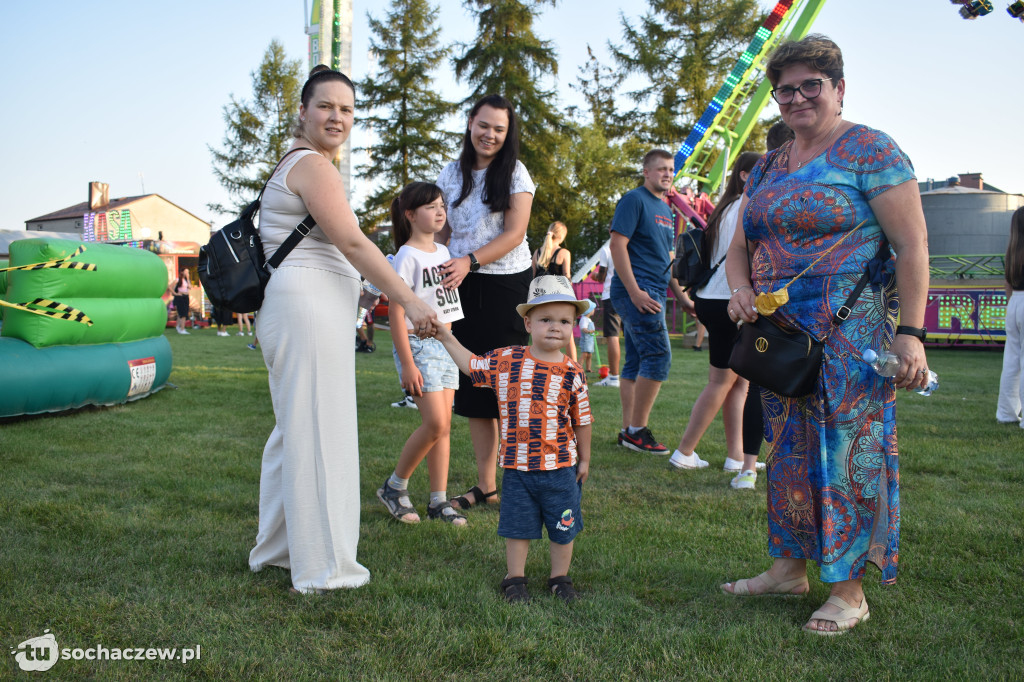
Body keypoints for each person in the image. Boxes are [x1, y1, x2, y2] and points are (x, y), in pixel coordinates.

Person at [720, 35, 931, 635]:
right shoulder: (768, 163)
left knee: (845, 453)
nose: (796, 97)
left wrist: (910, 334)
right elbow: (741, 247)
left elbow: (912, 246)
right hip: (779, 334)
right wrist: (738, 291)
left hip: (852, 336)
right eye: (784, 88)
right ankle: (787, 568)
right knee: (786, 451)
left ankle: (849, 591)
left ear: (838, 88)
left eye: (811, 84)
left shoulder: (871, 150)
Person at [248, 66, 438, 594]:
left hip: (304, 305)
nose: (337, 117)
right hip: (306, 305)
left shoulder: (306, 165)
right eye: (326, 106)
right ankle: (323, 569)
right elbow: (354, 244)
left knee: (295, 431)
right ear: (302, 112)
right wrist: (410, 300)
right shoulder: (312, 165)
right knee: (318, 433)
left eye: (347, 109)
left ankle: (281, 551)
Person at [435, 275, 592, 603]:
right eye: (545, 319)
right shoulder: (507, 360)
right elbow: (472, 366)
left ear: (573, 326)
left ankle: (559, 577)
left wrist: (586, 458)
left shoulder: (573, 372)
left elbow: (583, 421)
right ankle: (515, 578)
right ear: (527, 322)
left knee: (563, 527)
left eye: (564, 321)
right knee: (517, 527)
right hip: (518, 470)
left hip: (560, 468)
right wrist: (446, 336)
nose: (554, 327)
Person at [436, 94, 535, 510]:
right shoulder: (450, 173)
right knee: (476, 385)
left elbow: (515, 233)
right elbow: (439, 231)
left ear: (507, 132)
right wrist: (428, 264)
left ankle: (520, 484)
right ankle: (486, 485)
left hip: (507, 285)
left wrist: (469, 261)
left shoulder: (515, 174)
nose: (490, 135)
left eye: (499, 128)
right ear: (470, 123)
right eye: (484, 125)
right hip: (461, 284)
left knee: (508, 386)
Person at [376, 182, 467, 526]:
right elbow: (397, 313)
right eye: (431, 206)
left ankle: (438, 502)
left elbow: (445, 305)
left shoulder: (444, 254)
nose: (440, 211)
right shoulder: (405, 256)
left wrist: (452, 346)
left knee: (444, 429)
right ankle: (394, 487)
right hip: (418, 345)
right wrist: (408, 364)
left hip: (444, 345)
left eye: (442, 205)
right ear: (410, 215)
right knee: (436, 423)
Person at [668, 152, 763, 482]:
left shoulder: (725, 208)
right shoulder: (746, 206)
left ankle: (735, 457)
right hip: (729, 301)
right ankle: (684, 451)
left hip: (713, 298)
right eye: (760, 170)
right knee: (722, 381)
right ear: (744, 175)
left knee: (739, 381)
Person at [609, 149, 682, 455]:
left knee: (636, 360)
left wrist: (683, 298)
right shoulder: (634, 199)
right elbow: (617, 245)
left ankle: (629, 430)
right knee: (659, 356)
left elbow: (668, 260)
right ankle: (638, 431)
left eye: (671, 170)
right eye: (661, 169)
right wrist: (636, 291)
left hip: (655, 288)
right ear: (647, 172)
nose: (667, 174)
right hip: (638, 289)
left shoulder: (666, 209)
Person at [997, 206, 1024, 427]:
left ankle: (1006, 413)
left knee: (1012, 361)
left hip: (1015, 301)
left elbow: (1007, 283)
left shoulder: (1012, 251)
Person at [592, 243, 621, 387]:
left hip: (612, 294)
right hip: (631, 294)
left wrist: (594, 275)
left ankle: (614, 377)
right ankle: (635, 374)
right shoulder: (633, 245)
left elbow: (602, 276)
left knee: (612, 336)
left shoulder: (607, 249)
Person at [577, 299, 597, 373]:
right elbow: (583, 329)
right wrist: (589, 331)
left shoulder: (588, 319)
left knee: (589, 355)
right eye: (593, 309)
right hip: (586, 340)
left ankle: (588, 368)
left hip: (590, 341)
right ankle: (578, 368)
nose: (594, 310)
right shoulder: (584, 319)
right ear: (589, 310)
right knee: (584, 355)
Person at [171, 268, 190, 334]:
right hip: (180, 297)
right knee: (183, 314)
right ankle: (182, 329)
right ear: (182, 272)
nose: (187, 273)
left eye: (188, 272)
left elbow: (190, 287)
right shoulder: (178, 279)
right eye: (186, 272)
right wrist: (175, 293)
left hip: (186, 297)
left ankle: (178, 327)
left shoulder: (186, 280)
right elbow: (170, 287)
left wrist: (188, 279)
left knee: (181, 314)